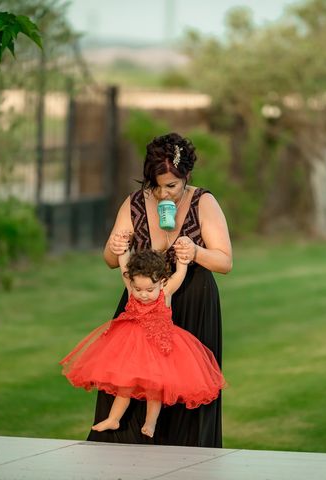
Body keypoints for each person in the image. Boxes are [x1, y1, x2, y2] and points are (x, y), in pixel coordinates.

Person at [91, 132, 233, 447]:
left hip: (191, 304)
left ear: (187, 177)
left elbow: (225, 261)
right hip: (140, 308)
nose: (164, 193)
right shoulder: (135, 203)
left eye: (173, 186)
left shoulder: (203, 202)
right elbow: (111, 261)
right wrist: (114, 247)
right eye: (157, 185)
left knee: (184, 397)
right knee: (127, 382)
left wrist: (195, 252)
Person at [60, 248, 226, 438]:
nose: (143, 295)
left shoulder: (165, 292)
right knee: (124, 386)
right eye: (138, 289)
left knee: (154, 390)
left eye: (149, 290)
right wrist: (123, 252)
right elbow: (124, 268)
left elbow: (180, 274)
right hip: (132, 346)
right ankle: (113, 418)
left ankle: (150, 422)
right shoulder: (133, 288)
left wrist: (182, 260)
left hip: (159, 347)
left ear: (161, 282)